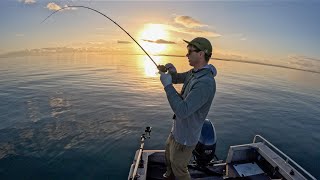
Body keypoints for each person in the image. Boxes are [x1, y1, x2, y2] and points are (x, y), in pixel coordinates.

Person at [159, 37, 217, 180]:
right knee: (169, 158)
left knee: (179, 168)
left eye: (190, 51)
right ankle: (169, 177)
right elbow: (178, 78)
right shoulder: (194, 72)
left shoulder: (205, 83)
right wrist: (171, 72)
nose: (187, 55)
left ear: (201, 54)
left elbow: (182, 111)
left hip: (185, 137)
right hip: (177, 130)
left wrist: (167, 86)